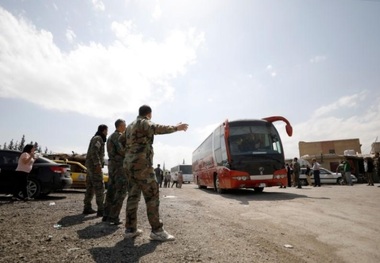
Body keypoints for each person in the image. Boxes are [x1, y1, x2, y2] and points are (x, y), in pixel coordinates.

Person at [122, 105, 188, 241]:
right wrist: (176, 128)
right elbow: (156, 128)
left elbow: (120, 140)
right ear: (149, 114)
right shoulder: (144, 122)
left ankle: (130, 229)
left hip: (129, 165)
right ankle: (157, 231)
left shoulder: (129, 126)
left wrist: (131, 152)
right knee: (152, 196)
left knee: (133, 196)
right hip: (142, 166)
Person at [103, 119, 127, 225]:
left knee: (111, 190)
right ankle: (114, 216)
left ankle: (106, 214)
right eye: (125, 125)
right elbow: (122, 150)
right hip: (119, 166)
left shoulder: (110, 137)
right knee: (121, 190)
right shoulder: (118, 136)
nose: (125, 127)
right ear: (121, 126)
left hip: (112, 165)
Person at [83, 124, 108, 216]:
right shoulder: (98, 138)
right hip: (94, 167)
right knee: (100, 187)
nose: (107, 133)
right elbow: (94, 152)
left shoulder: (96, 138)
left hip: (90, 166)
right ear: (104, 130)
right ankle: (101, 210)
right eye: (107, 131)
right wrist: (97, 164)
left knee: (90, 187)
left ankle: (87, 207)